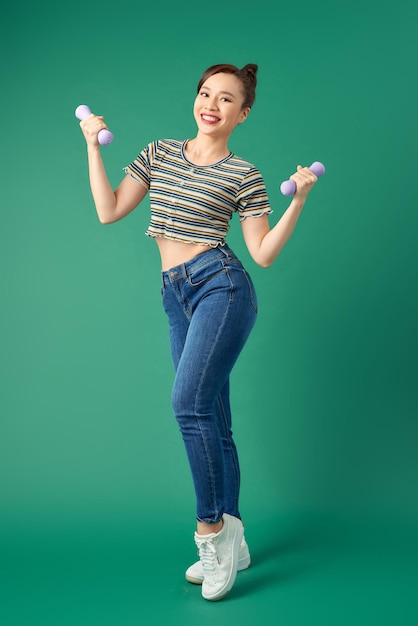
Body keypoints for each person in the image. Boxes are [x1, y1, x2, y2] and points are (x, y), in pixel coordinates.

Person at [78, 63, 317, 601]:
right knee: (211, 415)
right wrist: (94, 146)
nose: (212, 104)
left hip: (222, 287)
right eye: (206, 93)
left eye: (226, 99)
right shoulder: (159, 152)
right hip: (175, 293)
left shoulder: (244, 173)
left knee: (188, 406)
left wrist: (298, 200)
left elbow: (262, 254)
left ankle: (212, 532)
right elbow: (109, 209)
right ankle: (236, 535)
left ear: (243, 112)